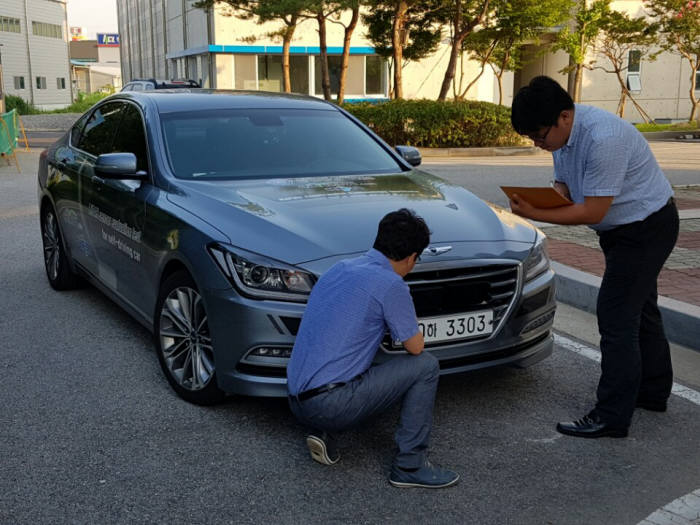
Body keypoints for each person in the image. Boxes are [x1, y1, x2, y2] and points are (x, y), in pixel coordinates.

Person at [509, 76, 679, 439]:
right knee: (641, 309)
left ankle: (611, 416)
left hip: (646, 228)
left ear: (564, 117)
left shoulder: (605, 139)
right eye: (532, 139)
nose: (539, 144)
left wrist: (535, 214)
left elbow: (593, 212)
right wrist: (543, 199)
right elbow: (565, 188)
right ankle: (652, 392)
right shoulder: (563, 135)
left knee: (616, 317)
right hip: (622, 231)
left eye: (540, 135)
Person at [286, 208, 459, 488]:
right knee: (425, 366)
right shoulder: (391, 284)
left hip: (296, 399)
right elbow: (416, 347)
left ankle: (326, 433)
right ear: (412, 257)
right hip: (329, 405)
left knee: (363, 350)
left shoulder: (339, 269)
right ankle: (410, 466)